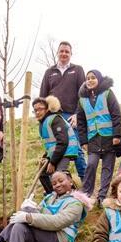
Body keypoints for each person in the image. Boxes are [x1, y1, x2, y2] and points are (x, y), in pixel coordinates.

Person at [39, 41, 87, 180]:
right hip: (54, 117)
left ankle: (86, 185)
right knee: (54, 150)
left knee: (76, 150)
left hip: (71, 116)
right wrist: (43, 118)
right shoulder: (49, 72)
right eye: (62, 51)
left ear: (71, 54)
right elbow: (43, 96)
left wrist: (78, 115)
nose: (64, 53)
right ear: (57, 53)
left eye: (67, 51)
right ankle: (57, 183)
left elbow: (82, 94)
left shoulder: (77, 70)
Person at [76, 70, 121, 207]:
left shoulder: (108, 93)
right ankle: (85, 195)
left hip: (109, 137)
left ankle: (102, 197)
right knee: (91, 165)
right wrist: (83, 141)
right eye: (88, 78)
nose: (90, 80)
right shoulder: (82, 100)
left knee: (107, 168)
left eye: (93, 78)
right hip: (93, 139)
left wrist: (117, 135)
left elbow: (116, 114)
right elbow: (81, 121)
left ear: (99, 79)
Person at [32, 96, 80, 194]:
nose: (37, 112)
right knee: (43, 174)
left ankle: (72, 195)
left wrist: (52, 162)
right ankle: (53, 195)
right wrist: (47, 157)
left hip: (65, 150)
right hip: (57, 151)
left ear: (47, 109)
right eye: (35, 110)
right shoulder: (44, 122)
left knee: (59, 175)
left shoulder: (55, 119)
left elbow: (62, 142)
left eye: (40, 109)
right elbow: (51, 144)